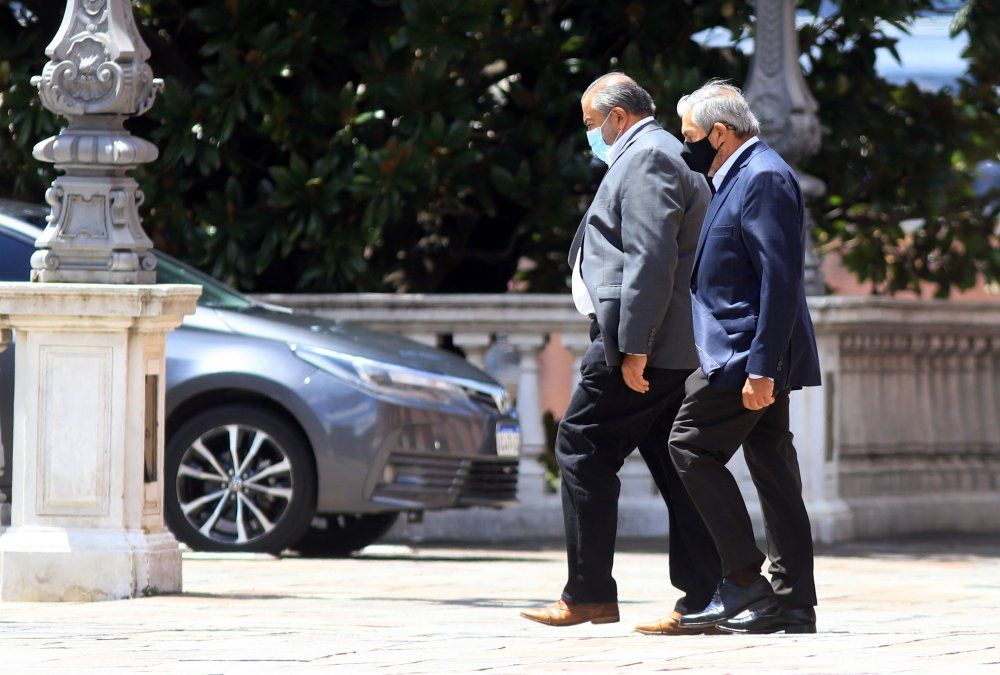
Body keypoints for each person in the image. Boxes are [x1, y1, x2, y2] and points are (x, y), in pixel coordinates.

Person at [519, 73, 721, 634]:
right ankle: (709, 593)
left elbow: (652, 260)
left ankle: (588, 594)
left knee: (580, 444)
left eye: (591, 125)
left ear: (618, 117)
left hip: (641, 344)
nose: (590, 135)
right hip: (659, 342)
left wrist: (634, 346)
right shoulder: (652, 154)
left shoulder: (649, 156)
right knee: (674, 463)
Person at [663, 80, 822, 635]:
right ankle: (792, 603)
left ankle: (743, 581)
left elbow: (781, 281)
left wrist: (761, 367)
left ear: (721, 133)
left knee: (689, 445)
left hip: (744, 352)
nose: (687, 146)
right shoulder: (741, 173)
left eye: (691, 136)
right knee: (773, 469)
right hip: (749, 349)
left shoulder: (763, 177)